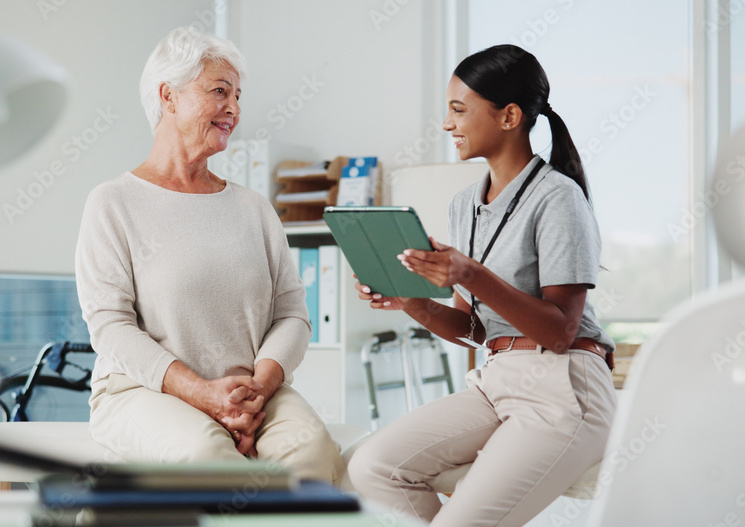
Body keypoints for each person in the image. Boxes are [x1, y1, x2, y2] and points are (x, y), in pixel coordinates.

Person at [347, 44, 617, 526]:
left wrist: (469, 273)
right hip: (496, 379)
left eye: (458, 110)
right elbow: (476, 329)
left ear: (510, 115)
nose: (448, 125)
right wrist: (412, 302)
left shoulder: (558, 198)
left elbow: (559, 333)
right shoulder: (464, 204)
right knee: (373, 466)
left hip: (564, 384)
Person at [74, 27, 343, 483]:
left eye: (238, 95)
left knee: (310, 454)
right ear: (168, 96)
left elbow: (292, 314)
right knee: (209, 459)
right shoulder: (113, 202)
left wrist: (258, 388)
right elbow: (110, 327)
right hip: (144, 391)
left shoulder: (253, 207)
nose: (235, 109)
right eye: (220, 91)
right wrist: (203, 395)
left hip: (253, 390)